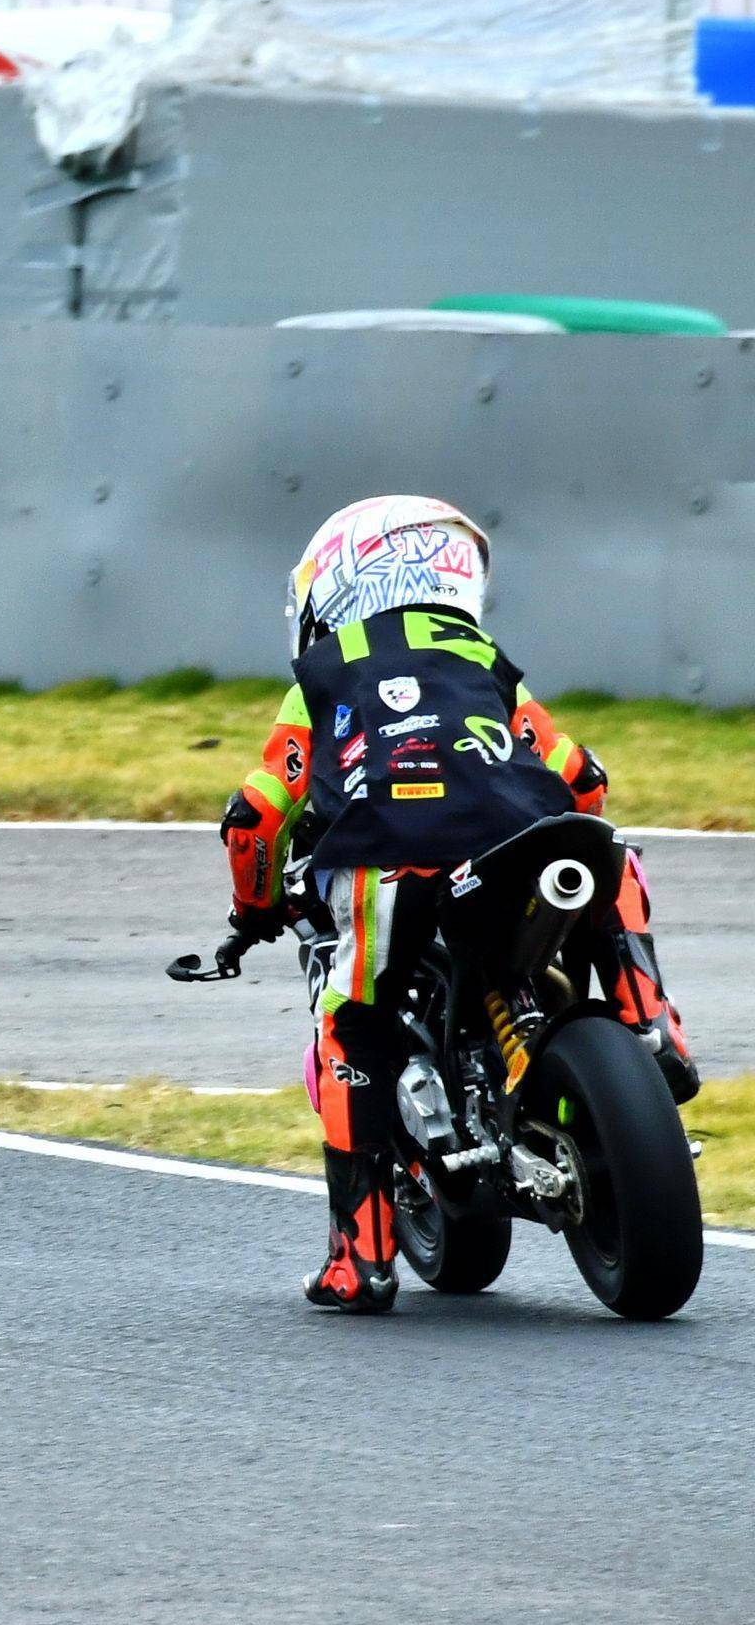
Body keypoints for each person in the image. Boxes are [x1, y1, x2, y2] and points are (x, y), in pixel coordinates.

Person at [221, 494, 695, 1314]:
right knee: (609, 854)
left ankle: (358, 1262)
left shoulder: (326, 673)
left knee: (350, 1029)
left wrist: (254, 907)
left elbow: (255, 818)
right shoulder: (478, 656)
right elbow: (581, 776)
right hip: (516, 842)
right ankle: (651, 1024)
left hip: (389, 857)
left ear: (333, 590)